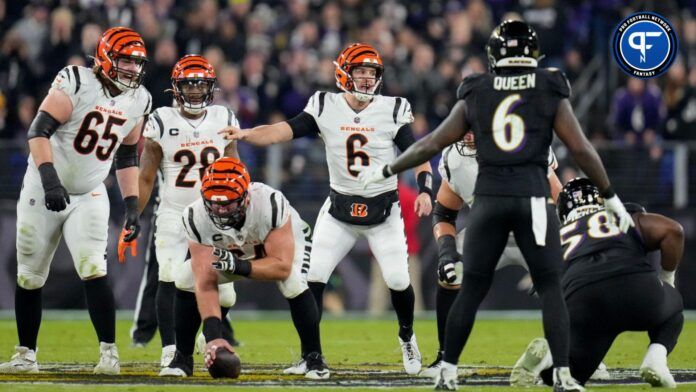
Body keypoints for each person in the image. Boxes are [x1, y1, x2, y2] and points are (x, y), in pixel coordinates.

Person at [354, 20, 634, 391]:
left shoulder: (477, 89)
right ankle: (565, 374)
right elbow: (581, 148)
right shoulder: (548, 85)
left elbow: (432, 142)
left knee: (471, 290)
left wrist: (388, 168)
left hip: (489, 202)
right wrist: (610, 196)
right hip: (532, 201)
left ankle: (448, 372)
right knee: (553, 288)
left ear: (493, 56)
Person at [220, 43, 434, 375]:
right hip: (339, 211)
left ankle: (407, 336)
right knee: (311, 279)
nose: (365, 80)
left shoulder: (392, 109)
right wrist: (247, 134)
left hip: (383, 212)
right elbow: (282, 131)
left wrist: (424, 188)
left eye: (371, 74)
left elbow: (419, 152)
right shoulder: (324, 106)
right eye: (360, 72)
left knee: (397, 279)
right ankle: (312, 357)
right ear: (344, 74)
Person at [0, 26, 152, 375]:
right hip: (43, 186)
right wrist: (51, 180)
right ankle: (26, 354)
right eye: (125, 61)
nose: (131, 70)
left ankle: (109, 355)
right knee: (30, 275)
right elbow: (38, 131)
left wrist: (131, 206)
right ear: (105, 58)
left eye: (136, 64)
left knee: (94, 268)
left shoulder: (139, 98)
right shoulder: (76, 81)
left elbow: (128, 156)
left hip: (90, 192)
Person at [118, 54, 240, 369]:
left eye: (201, 84)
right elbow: (145, 176)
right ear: (177, 88)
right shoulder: (161, 120)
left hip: (215, 215)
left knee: (225, 294)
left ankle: (206, 333)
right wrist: (134, 216)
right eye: (189, 84)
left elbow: (236, 169)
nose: (196, 90)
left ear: (211, 87)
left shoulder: (223, 117)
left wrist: (241, 217)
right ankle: (170, 348)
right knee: (169, 276)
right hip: (174, 211)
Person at [162, 157, 329, 379]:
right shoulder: (195, 216)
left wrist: (239, 266)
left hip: (280, 248)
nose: (220, 210)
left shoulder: (269, 204)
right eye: (214, 202)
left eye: (228, 203)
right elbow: (204, 279)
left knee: (293, 282)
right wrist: (214, 336)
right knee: (186, 276)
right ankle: (182, 359)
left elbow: (281, 267)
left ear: (246, 197)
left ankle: (314, 359)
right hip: (234, 252)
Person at [510, 178, 684, 388]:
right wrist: (667, 280)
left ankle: (549, 357)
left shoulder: (553, 237)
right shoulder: (621, 214)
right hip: (635, 288)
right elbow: (673, 231)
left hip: (582, 301)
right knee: (673, 306)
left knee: (571, 372)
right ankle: (656, 359)